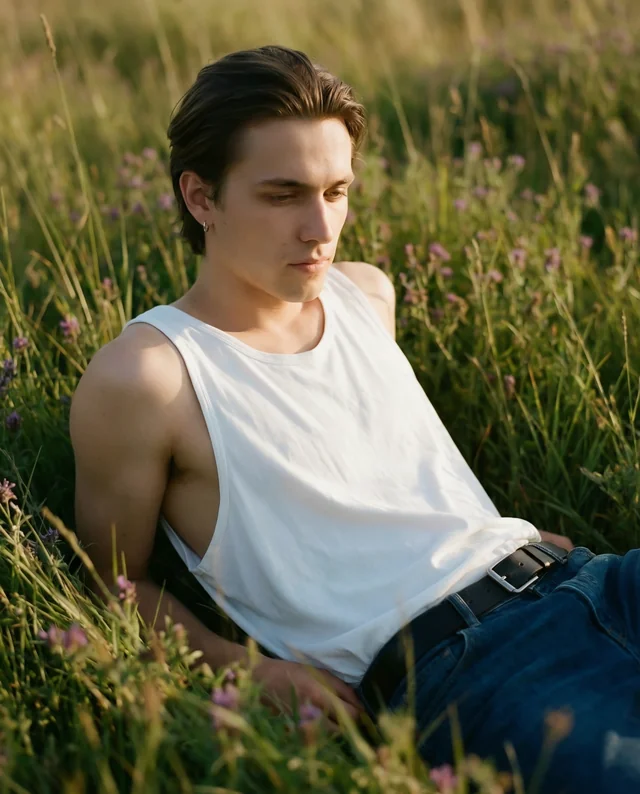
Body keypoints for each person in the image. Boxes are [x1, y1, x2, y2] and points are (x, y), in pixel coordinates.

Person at [69, 45, 640, 793]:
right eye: (283, 195)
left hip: (592, 581)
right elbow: (107, 581)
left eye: (336, 191)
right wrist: (243, 666)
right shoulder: (150, 376)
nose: (320, 226)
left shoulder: (365, 294)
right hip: (469, 669)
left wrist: (505, 543)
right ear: (201, 197)